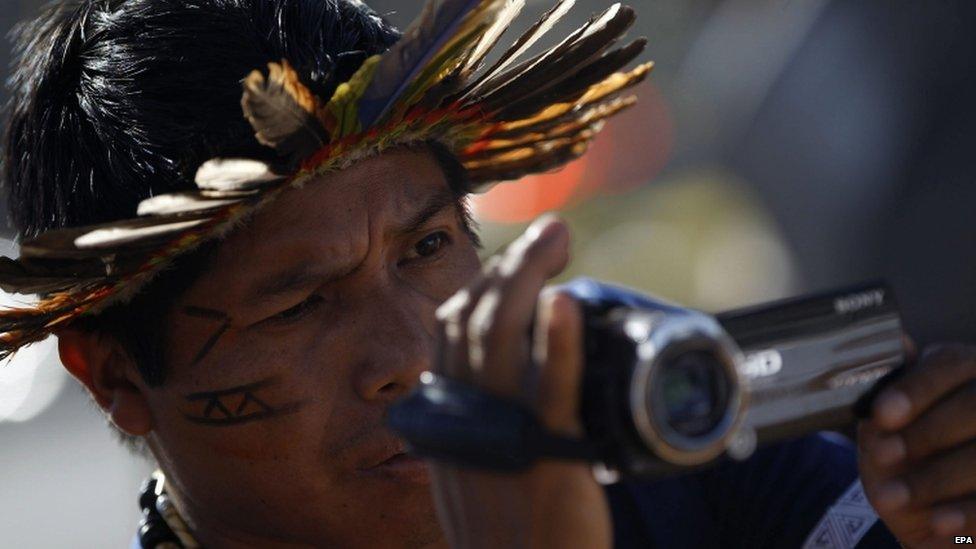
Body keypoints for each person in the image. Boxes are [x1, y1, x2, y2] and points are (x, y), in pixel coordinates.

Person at [0, 1, 973, 547]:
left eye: (425, 250)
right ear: (116, 377)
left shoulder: (623, 389)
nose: (410, 351)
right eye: (301, 303)